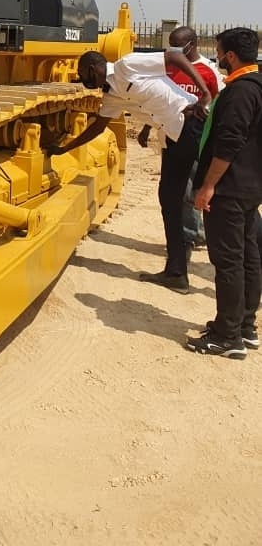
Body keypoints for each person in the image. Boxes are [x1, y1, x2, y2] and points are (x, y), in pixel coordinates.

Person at [50, 47, 212, 293]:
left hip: (191, 122)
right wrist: (64, 149)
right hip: (170, 136)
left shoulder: (128, 65)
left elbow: (175, 56)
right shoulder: (111, 98)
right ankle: (177, 272)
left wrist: (205, 93)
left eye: (83, 75)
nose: (83, 81)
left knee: (219, 193)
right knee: (169, 199)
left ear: (93, 70)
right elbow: (98, 127)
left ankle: (190, 267)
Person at [187, 28, 262, 359]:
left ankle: (228, 336)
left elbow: (229, 143)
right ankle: (243, 326)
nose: (217, 58)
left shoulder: (239, 93)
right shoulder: (256, 87)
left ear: (230, 56)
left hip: (229, 189)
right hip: (249, 185)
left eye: (219, 52)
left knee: (229, 261)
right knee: (248, 256)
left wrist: (208, 186)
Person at [137, 27, 224, 248]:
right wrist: (147, 128)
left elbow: (219, 103)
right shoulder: (168, 69)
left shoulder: (208, 70)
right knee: (179, 189)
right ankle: (192, 233)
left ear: (192, 44)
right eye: (171, 44)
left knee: (189, 188)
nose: (174, 50)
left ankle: (189, 236)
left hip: (196, 137)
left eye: (179, 45)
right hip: (170, 136)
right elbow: (159, 101)